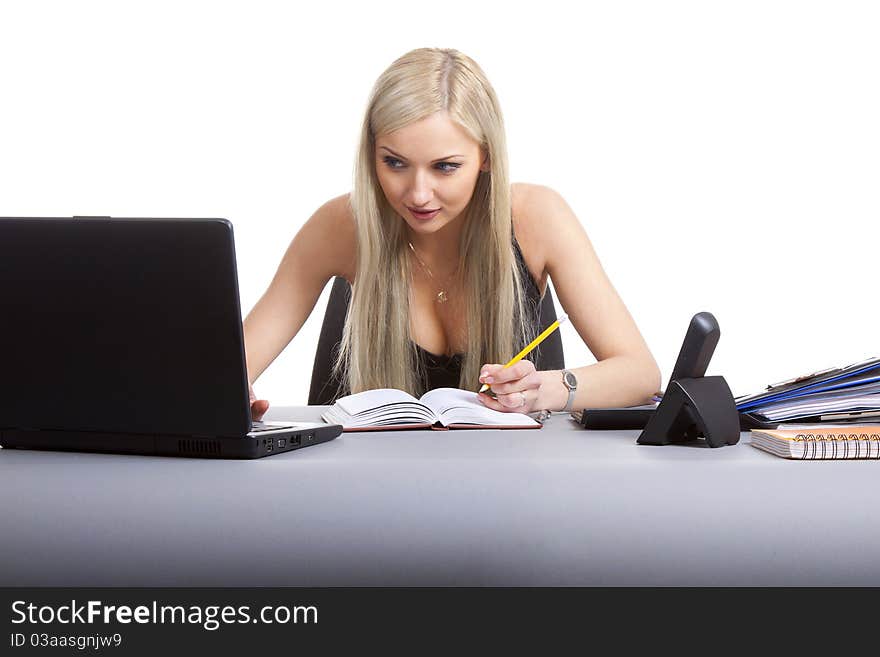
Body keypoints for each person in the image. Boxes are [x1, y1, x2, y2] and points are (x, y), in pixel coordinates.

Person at [244, 47, 661, 421]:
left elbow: (639, 372)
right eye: (395, 163)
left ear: (486, 158)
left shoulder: (538, 216)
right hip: (362, 491)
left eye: (445, 166)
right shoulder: (339, 225)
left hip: (514, 489)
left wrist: (547, 390)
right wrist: (231, 394)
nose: (418, 194)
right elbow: (233, 369)